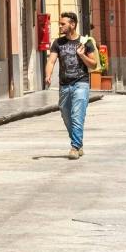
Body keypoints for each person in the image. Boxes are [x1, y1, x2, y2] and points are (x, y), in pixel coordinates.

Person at [45, 11, 98, 160]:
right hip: (64, 85)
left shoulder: (85, 42)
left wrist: (82, 55)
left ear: (72, 24)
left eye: (63, 24)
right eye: (60, 24)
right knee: (66, 114)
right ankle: (78, 142)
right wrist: (48, 75)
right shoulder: (58, 43)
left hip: (81, 83)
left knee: (77, 115)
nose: (60, 26)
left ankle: (75, 147)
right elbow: (51, 61)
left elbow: (93, 65)